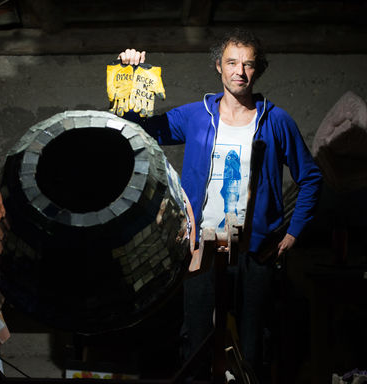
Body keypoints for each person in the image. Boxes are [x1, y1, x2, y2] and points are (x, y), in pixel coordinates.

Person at [114, 28, 322, 381]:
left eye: (248, 64)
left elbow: (311, 178)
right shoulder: (196, 116)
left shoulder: (276, 121)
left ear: (258, 71)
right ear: (218, 67)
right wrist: (129, 75)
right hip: (202, 248)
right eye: (232, 62)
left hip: (256, 251)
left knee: (253, 349)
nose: (240, 71)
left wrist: (293, 234)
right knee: (196, 346)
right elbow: (142, 129)